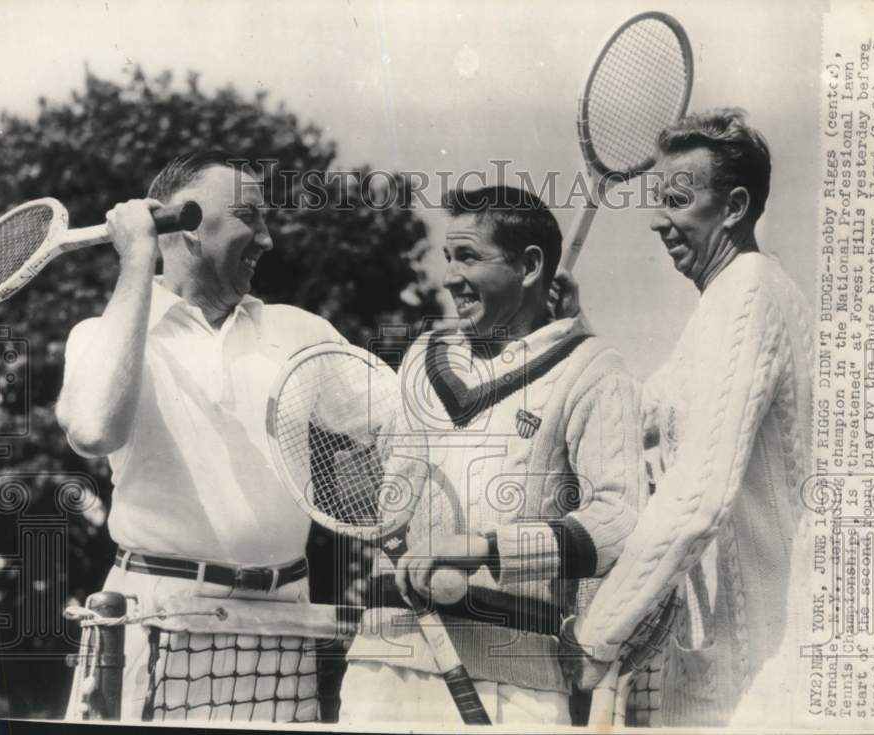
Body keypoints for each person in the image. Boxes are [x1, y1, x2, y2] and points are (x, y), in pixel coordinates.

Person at [338, 185, 650, 726]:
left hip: (516, 681)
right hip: (385, 665)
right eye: (447, 259)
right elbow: (396, 493)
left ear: (530, 267)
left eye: (469, 258)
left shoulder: (596, 369)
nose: (451, 278)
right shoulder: (422, 355)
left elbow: (620, 521)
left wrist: (484, 548)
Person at [58, 152, 351, 723]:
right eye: (249, 217)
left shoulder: (301, 331)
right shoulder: (100, 335)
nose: (266, 239)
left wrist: (538, 325)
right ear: (184, 226)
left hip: (283, 630)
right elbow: (93, 428)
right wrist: (138, 257)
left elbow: (419, 420)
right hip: (150, 625)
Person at [561, 109, 814, 726]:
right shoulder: (723, 303)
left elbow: (697, 497)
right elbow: (641, 417)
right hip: (719, 669)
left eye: (676, 199)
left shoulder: (749, 289)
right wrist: (576, 331)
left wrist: (597, 632)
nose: (658, 219)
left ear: (733, 207)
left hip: (763, 685)